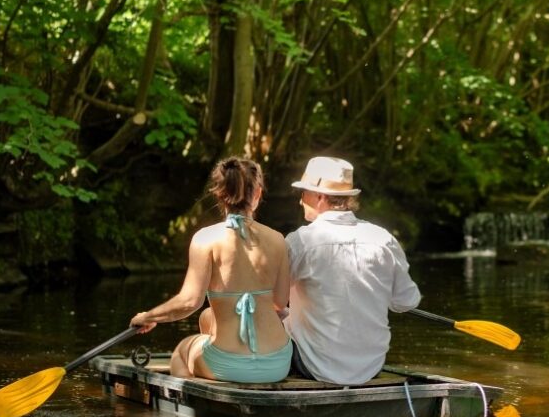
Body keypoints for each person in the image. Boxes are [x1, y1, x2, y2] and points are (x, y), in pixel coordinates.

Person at [131, 157, 293, 383]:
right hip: (277, 362)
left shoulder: (205, 239)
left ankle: (188, 414)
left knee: (181, 350)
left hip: (229, 365)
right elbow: (280, 301)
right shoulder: (278, 240)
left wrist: (149, 316)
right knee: (208, 317)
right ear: (257, 194)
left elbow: (189, 302)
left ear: (219, 195)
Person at [284, 156, 420, 385]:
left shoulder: (300, 241)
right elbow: (406, 302)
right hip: (369, 368)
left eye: (303, 193)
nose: (300, 200)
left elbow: (275, 299)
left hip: (311, 366)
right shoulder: (384, 239)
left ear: (319, 197)